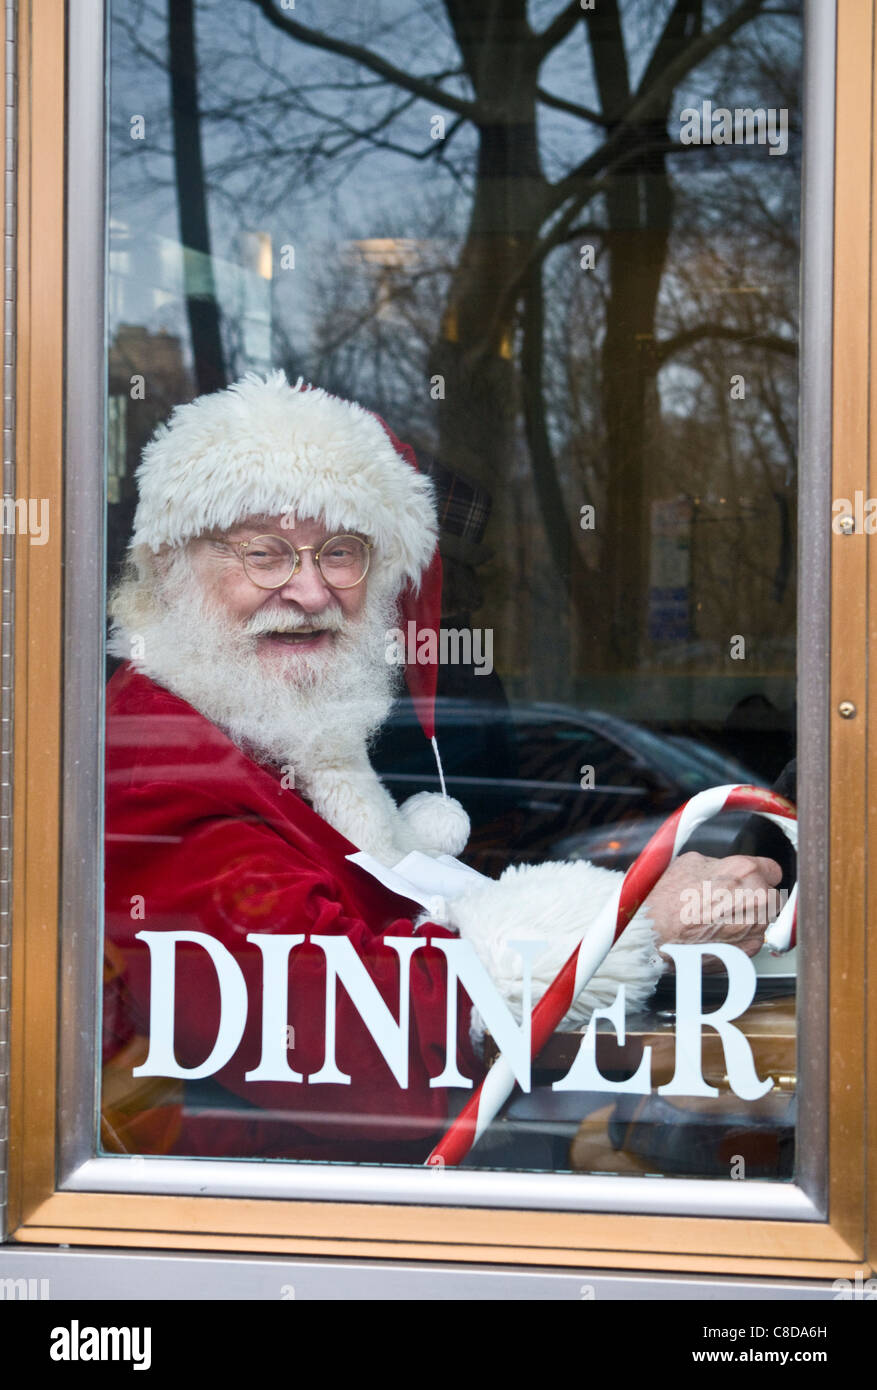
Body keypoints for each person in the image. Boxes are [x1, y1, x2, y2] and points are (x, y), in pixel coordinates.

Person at [103, 371, 783, 1163]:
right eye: (263, 553)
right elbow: (351, 1036)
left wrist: (624, 922)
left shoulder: (267, 734)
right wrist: (635, 923)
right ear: (171, 566)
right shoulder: (156, 761)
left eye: (343, 552)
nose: (311, 589)